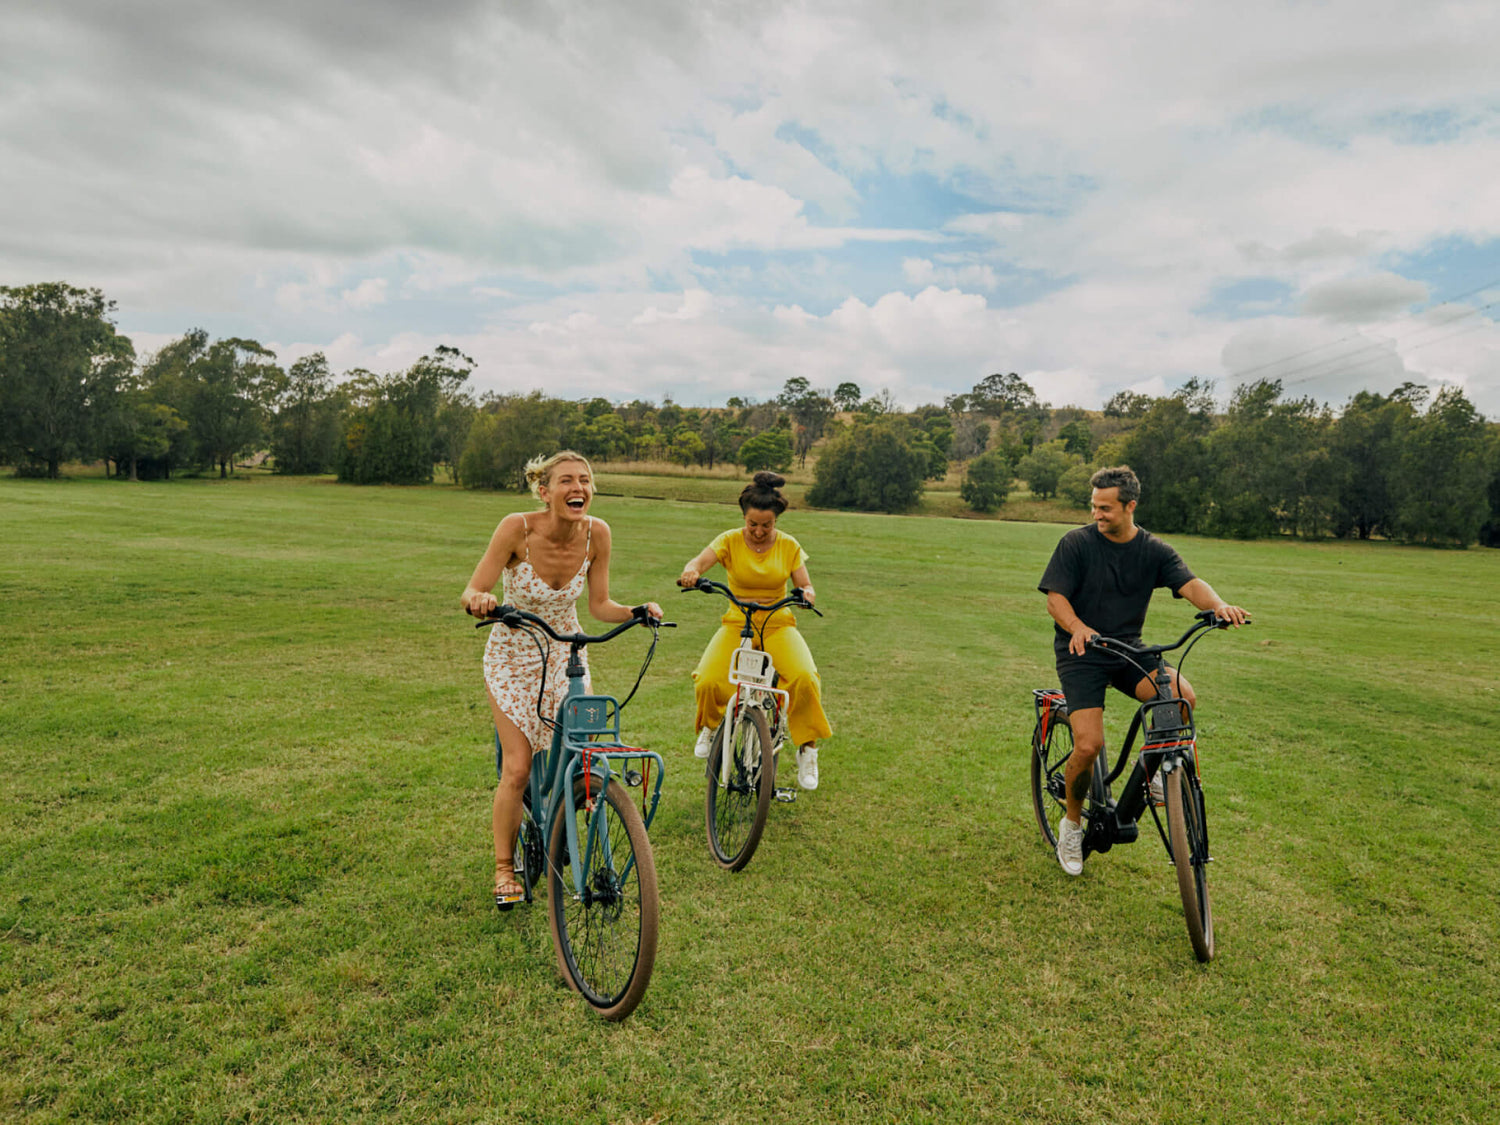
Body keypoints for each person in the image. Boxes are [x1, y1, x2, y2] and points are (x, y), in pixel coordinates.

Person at [461, 450, 662, 910]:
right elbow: (473, 589)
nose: (579, 488)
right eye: (567, 480)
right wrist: (481, 601)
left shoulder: (598, 533)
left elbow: (599, 605)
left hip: (566, 653)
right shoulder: (516, 528)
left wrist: (636, 611)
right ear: (545, 490)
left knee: (582, 756)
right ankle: (504, 868)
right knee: (518, 767)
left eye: (586, 480)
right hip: (513, 654)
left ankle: (569, 813)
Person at [1038, 465, 1248, 877]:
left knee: (1182, 696)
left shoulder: (1153, 550)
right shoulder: (1076, 544)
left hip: (1128, 650)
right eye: (1094, 507)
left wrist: (1218, 606)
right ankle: (1072, 824)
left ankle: (1156, 778)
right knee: (1088, 745)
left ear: (1130, 506)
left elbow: (1190, 584)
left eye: (1106, 508)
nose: (1097, 515)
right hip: (1082, 651)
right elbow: (1055, 600)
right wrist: (1078, 627)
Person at [676, 471, 831, 790]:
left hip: (777, 623)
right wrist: (691, 572)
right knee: (708, 679)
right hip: (738, 621)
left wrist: (807, 594)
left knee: (804, 677)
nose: (759, 532)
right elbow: (699, 562)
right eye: (753, 525)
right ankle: (710, 725)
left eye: (767, 525)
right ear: (744, 518)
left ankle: (807, 749)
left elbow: (805, 584)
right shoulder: (729, 540)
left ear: (776, 521)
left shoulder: (789, 545)